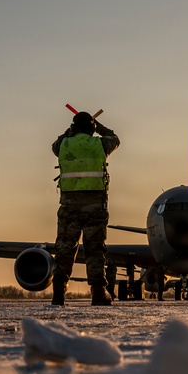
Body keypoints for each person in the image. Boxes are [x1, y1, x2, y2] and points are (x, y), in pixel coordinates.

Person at [50, 111, 120, 306]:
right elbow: (115, 138)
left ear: (73, 128)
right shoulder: (100, 144)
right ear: (92, 129)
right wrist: (99, 126)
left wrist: (70, 130)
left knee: (65, 248)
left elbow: (55, 145)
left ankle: (58, 291)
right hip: (95, 206)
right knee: (95, 249)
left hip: (69, 207)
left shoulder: (63, 145)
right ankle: (98, 292)